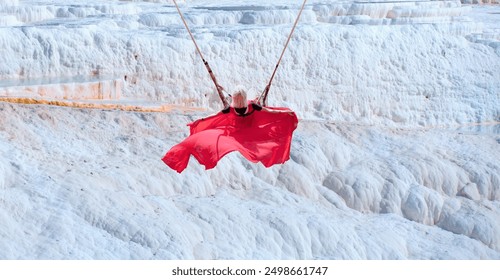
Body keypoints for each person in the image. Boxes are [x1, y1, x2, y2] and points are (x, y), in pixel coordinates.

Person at [162, 86, 298, 173]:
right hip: (235, 133)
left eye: (240, 105)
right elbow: (214, 116)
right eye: (237, 105)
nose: (239, 108)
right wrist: (200, 121)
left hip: (250, 131)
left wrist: (285, 113)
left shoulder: (252, 106)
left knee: (267, 143)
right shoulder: (231, 109)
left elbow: (269, 111)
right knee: (208, 138)